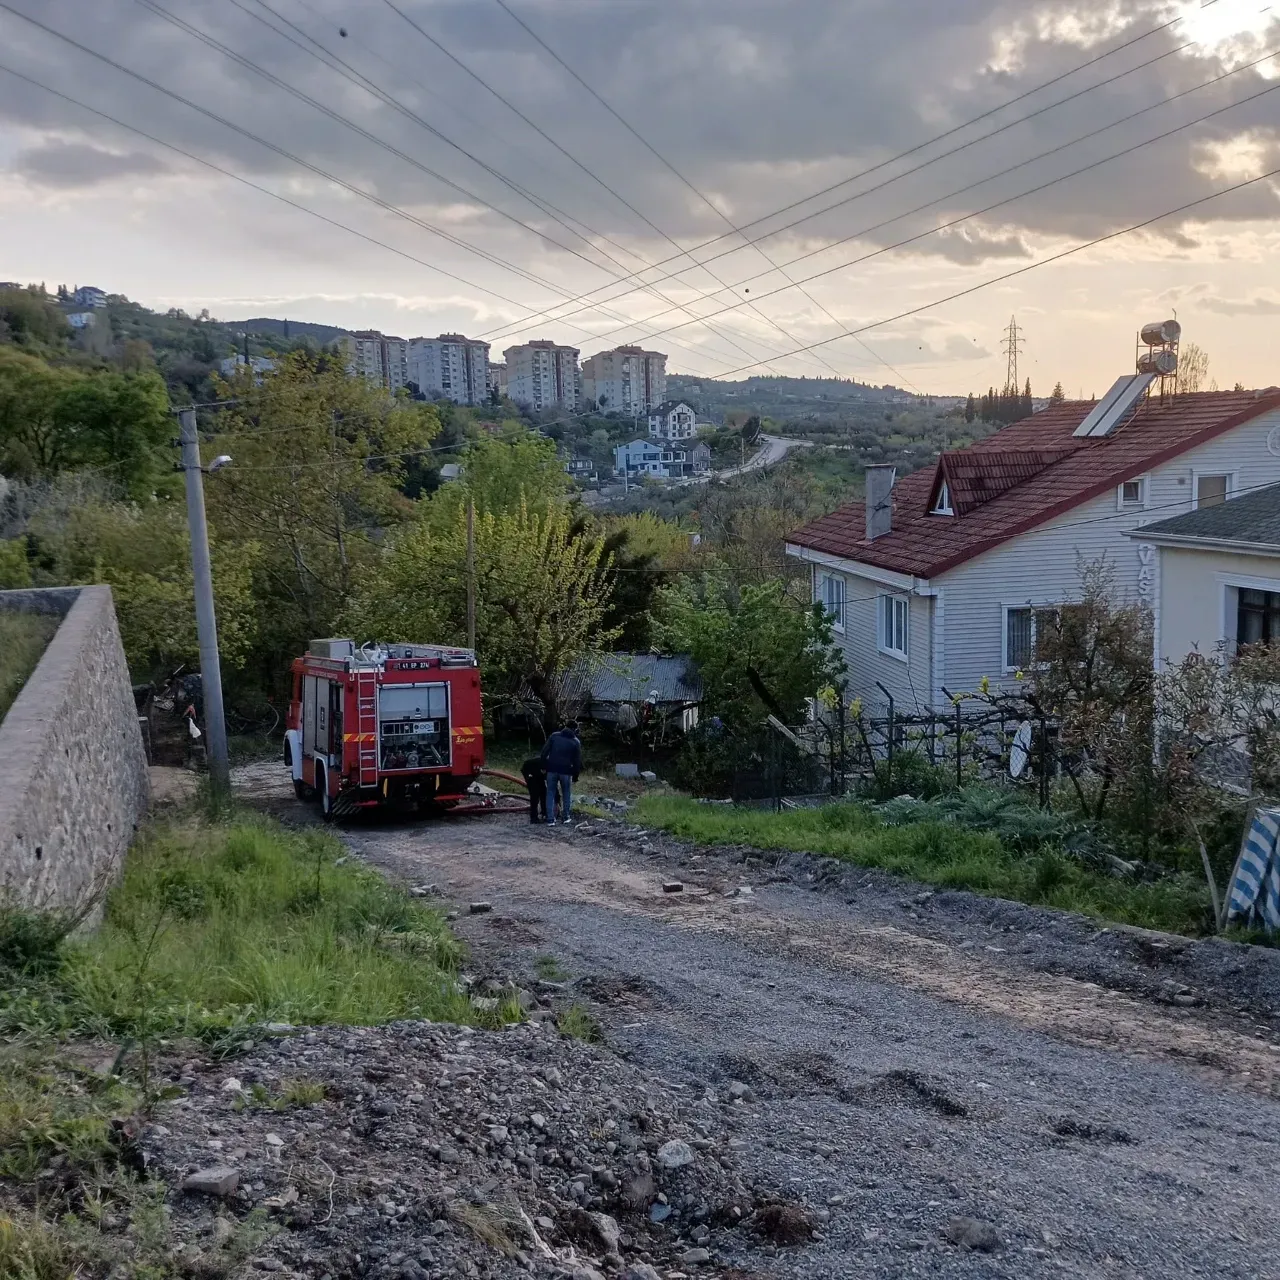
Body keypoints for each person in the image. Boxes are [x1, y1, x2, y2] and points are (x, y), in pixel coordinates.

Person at [540, 721, 582, 825]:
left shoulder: (554, 736)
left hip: (552, 769)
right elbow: (577, 761)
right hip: (566, 771)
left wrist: (543, 766)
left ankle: (550, 819)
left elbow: (544, 752)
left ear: (565, 726)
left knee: (550, 793)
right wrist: (576, 775)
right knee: (566, 793)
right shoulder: (575, 742)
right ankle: (566, 817)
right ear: (575, 729)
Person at [519, 754, 548, 824]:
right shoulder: (534, 762)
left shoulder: (547, 764)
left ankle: (544, 813)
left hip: (540, 778)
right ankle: (534, 817)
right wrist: (528, 778)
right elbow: (524, 768)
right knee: (534, 798)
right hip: (532, 778)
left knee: (543, 795)